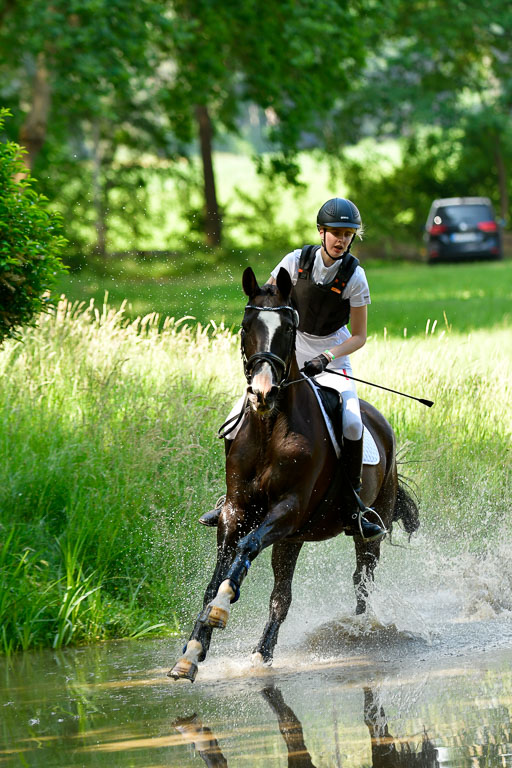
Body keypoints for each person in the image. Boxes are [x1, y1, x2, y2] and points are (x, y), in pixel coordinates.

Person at [199, 197, 385, 542]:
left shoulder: (355, 276)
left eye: (348, 234)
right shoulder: (294, 261)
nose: (341, 240)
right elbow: (269, 300)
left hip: (333, 355)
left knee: (353, 422)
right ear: (321, 232)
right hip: (290, 352)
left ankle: (354, 504)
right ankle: (231, 497)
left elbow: (358, 336)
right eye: (335, 233)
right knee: (234, 418)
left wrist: (327, 356)